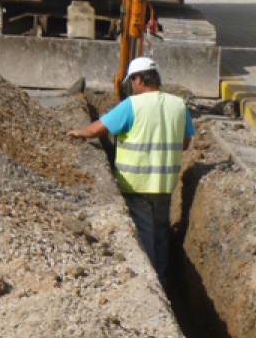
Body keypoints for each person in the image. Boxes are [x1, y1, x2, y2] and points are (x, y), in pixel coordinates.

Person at [67, 57, 194, 284]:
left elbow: (97, 129)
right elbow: (185, 143)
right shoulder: (179, 105)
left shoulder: (132, 106)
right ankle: (163, 280)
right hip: (165, 185)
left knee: (144, 235)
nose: (132, 85)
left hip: (136, 184)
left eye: (132, 81)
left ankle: (151, 283)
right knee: (161, 233)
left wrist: (78, 132)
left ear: (138, 79)